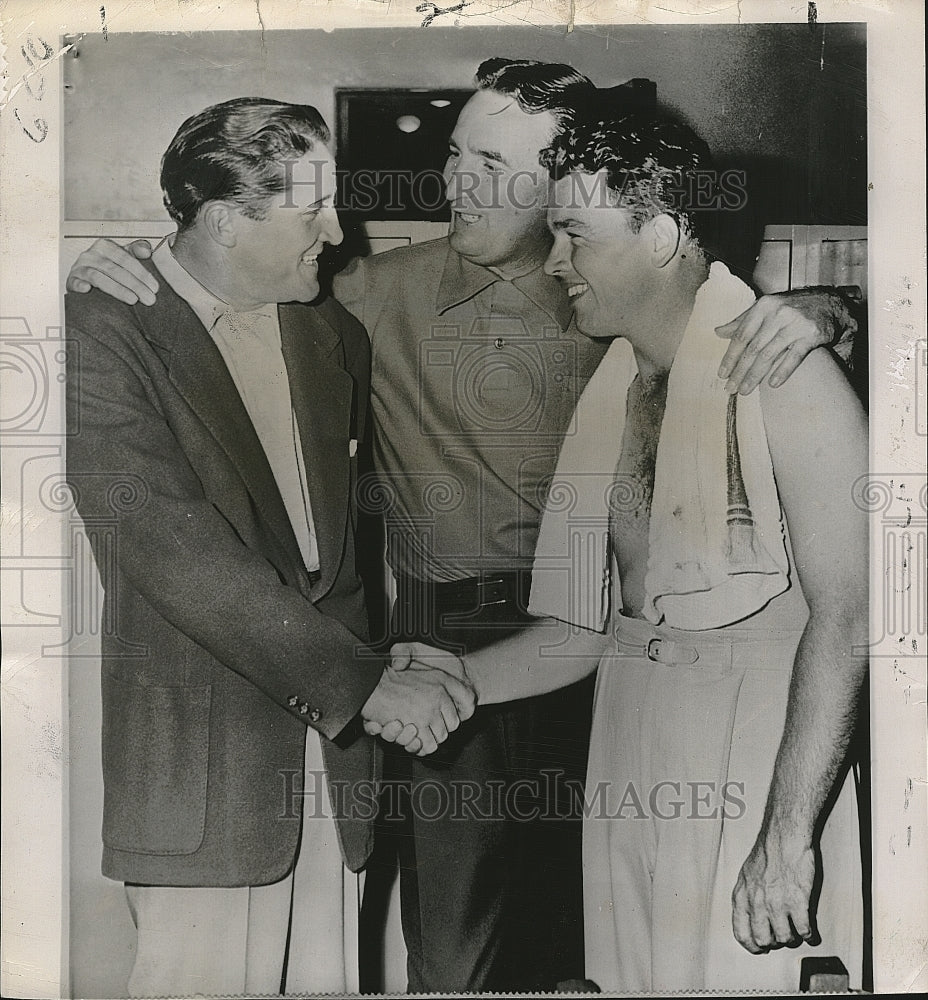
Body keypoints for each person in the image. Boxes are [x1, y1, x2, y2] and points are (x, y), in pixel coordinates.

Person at [65, 60, 856, 993]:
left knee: (610, 962)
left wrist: (831, 311)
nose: (453, 186)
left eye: (495, 168)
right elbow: (224, 279)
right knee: (466, 961)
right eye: (454, 156)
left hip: (641, 690)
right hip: (470, 654)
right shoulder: (357, 295)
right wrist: (115, 267)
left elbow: (843, 602)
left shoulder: (695, 336)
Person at [395, 113, 868, 993]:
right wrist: (453, 681)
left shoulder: (786, 369)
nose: (554, 262)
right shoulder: (613, 385)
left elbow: (852, 616)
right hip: (629, 729)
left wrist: (787, 836)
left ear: (659, 235)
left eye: (575, 235)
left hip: (758, 748)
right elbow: (583, 634)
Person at [64, 97, 475, 999]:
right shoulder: (100, 327)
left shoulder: (334, 335)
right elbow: (173, 549)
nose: (339, 232)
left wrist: (389, 657)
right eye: (312, 210)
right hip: (205, 786)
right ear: (222, 220)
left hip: (337, 784)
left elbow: (344, 556)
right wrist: (365, 685)